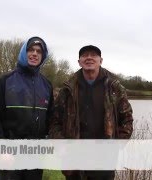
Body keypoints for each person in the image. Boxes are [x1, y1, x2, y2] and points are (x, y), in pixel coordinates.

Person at [49, 45, 134, 180]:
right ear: (79, 62)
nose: (89, 57)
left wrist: (116, 145)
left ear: (101, 60)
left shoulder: (114, 87)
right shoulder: (67, 89)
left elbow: (127, 119)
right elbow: (55, 121)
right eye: (84, 55)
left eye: (93, 55)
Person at [0, 36, 53, 180]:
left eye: (39, 51)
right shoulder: (5, 81)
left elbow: (51, 121)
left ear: (43, 56)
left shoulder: (47, 85)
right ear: (23, 52)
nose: (34, 53)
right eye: (31, 50)